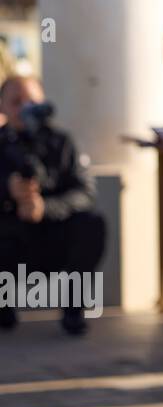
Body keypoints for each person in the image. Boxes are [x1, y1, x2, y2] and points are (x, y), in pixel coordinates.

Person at [0, 76, 106, 335]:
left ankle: (73, 310)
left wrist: (44, 207)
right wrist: (7, 190)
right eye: (16, 102)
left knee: (91, 224)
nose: (25, 109)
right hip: (9, 239)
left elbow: (85, 193)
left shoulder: (61, 142)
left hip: (51, 235)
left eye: (32, 102)